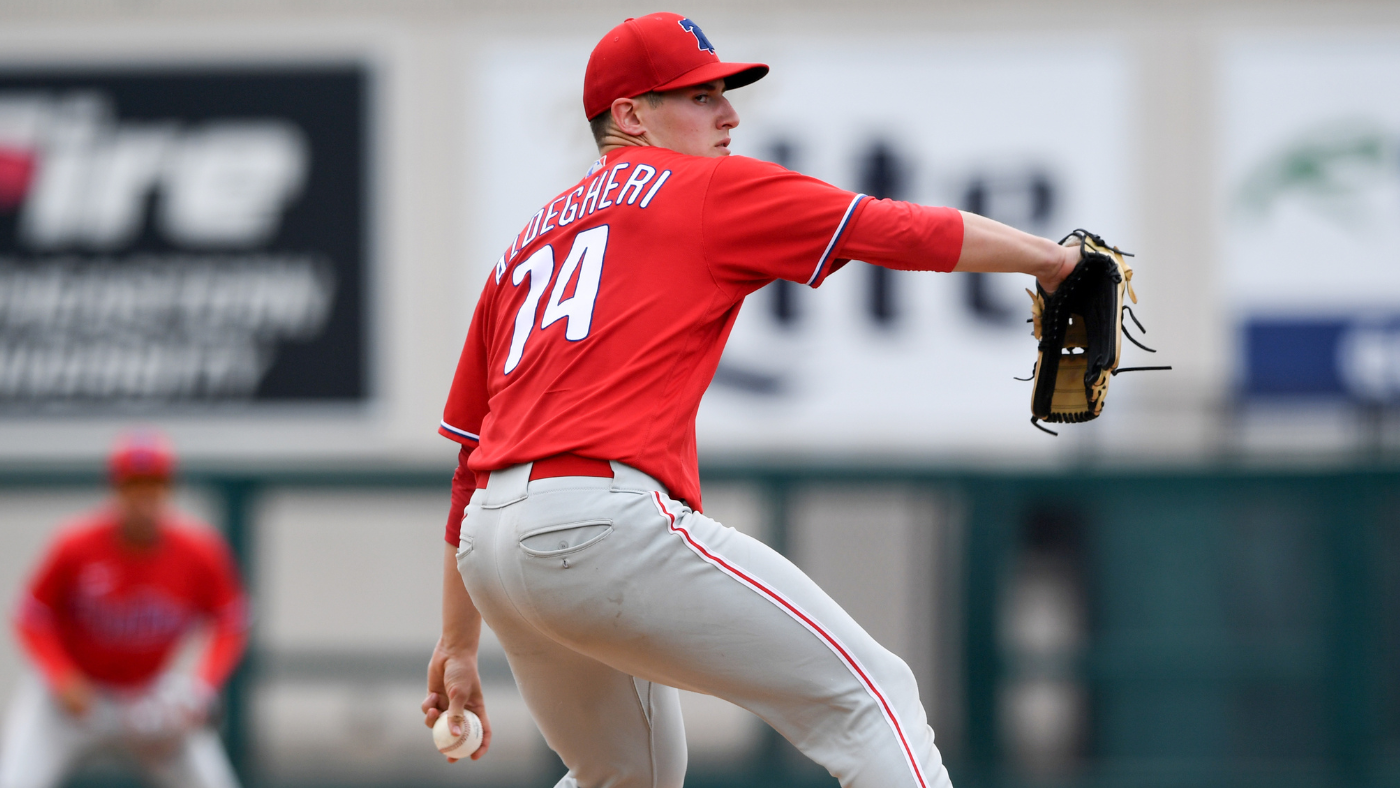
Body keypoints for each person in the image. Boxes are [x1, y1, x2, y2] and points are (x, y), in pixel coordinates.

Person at [421, 12, 1080, 788]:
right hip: (596, 524)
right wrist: (1050, 260)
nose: (730, 113)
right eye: (701, 96)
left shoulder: (527, 242)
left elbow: (472, 455)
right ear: (630, 115)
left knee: (629, 773)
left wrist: (458, 641)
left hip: (494, 552)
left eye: (724, 94)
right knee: (870, 695)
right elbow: (893, 229)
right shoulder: (704, 186)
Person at [1, 430, 248, 788]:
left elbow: (232, 620)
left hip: (147, 696)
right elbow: (30, 615)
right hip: (72, 695)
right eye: (133, 485)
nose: (144, 497)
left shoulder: (199, 552)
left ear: (169, 489)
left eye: (154, 484)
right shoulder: (76, 545)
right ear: (116, 488)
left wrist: (202, 686)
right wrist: (60, 675)